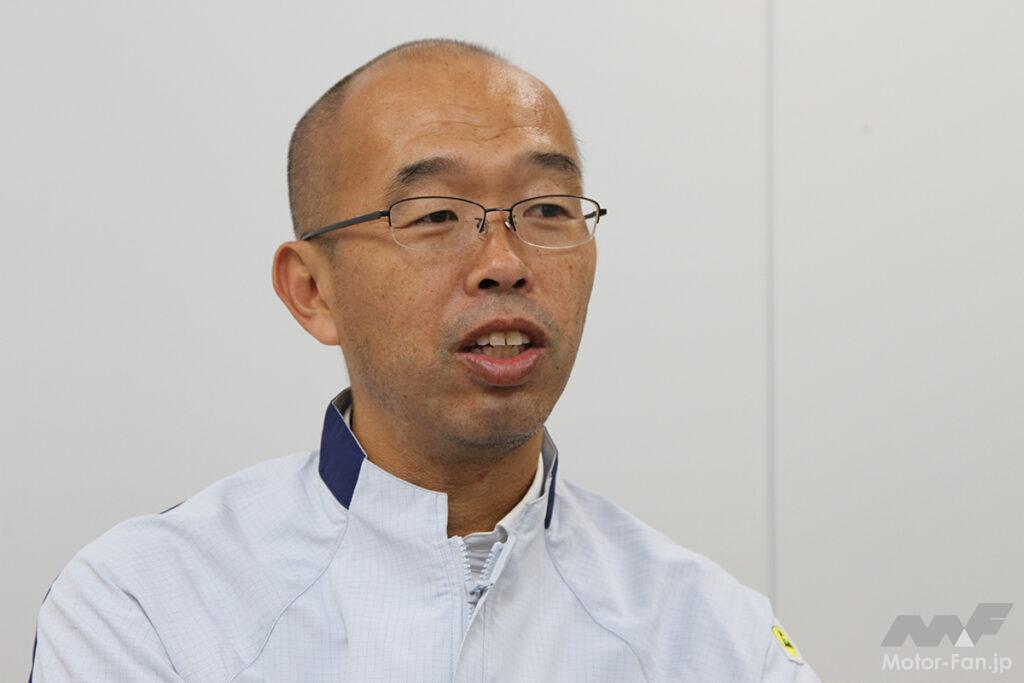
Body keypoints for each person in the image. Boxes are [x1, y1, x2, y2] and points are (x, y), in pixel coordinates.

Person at [28, 39, 819, 682]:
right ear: (312, 291)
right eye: (437, 214)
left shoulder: (714, 635)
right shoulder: (148, 603)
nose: (504, 263)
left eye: (548, 209)